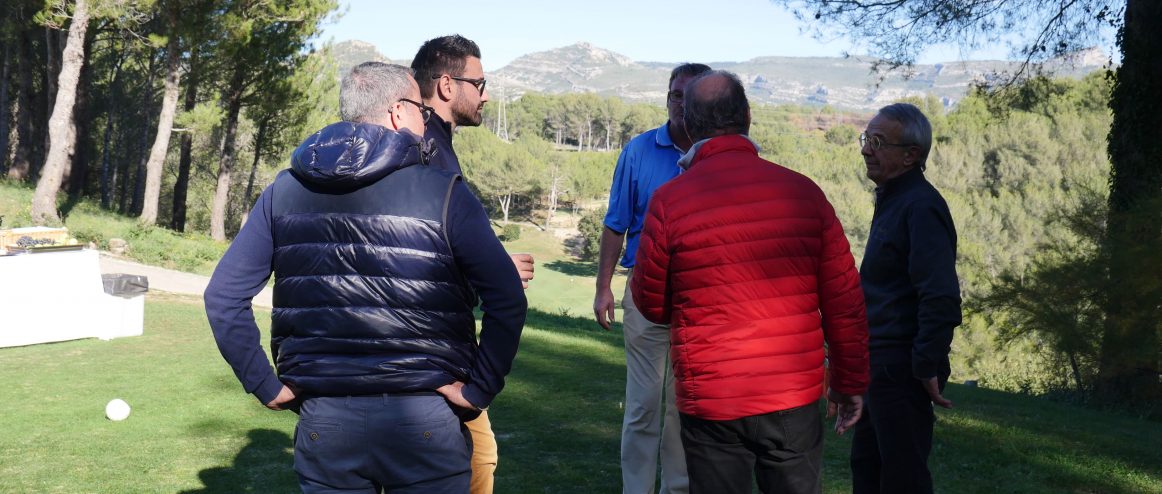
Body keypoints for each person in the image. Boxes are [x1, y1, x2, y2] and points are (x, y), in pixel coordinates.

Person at [204, 61, 527, 493]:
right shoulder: (445, 190)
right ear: (398, 112)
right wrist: (479, 390)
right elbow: (506, 296)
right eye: (420, 111)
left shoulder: (283, 191)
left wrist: (265, 384)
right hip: (424, 420)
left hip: (326, 421)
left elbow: (223, 296)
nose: (424, 121)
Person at [630, 70, 870, 494]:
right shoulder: (804, 194)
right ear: (747, 117)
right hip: (791, 393)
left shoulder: (670, 202)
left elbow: (651, 301)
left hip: (711, 395)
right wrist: (849, 383)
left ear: (690, 124)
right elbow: (844, 302)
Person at [410, 34, 533, 494]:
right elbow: (421, 252)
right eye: (479, 84)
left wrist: (491, 263)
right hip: (437, 355)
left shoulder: (433, 142)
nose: (486, 94)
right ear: (446, 84)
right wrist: (493, 271)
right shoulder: (427, 149)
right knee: (478, 462)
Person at [594, 62, 711, 494]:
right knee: (643, 407)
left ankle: (677, 490)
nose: (680, 103)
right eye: (674, 94)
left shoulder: (716, 156)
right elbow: (615, 223)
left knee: (684, 407)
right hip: (644, 293)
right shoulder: (639, 151)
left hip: (700, 301)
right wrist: (603, 286)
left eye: (690, 96)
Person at [850, 102, 962, 494]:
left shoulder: (920, 206)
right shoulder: (893, 197)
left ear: (911, 155)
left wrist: (926, 365)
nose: (866, 149)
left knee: (902, 479)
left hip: (900, 368)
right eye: (866, 139)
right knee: (868, 469)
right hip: (877, 362)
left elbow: (941, 295)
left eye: (878, 142)